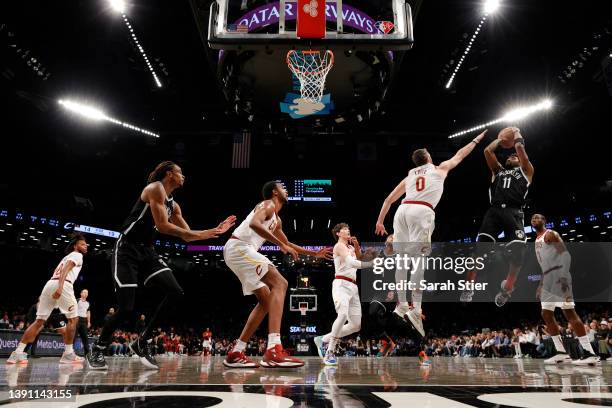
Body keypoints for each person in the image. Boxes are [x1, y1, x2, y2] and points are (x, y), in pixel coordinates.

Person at [87, 161, 236, 370]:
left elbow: (188, 236)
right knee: (126, 307)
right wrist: (209, 232)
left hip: (147, 251)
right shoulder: (155, 188)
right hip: (127, 249)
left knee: (176, 292)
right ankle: (98, 349)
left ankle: (142, 341)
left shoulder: (174, 205)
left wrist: (214, 231)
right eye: (180, 172)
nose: (183, 176)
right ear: (169, 174)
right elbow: (163, 226)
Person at [375, 131, 487, 336]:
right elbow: (460, 155)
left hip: (402, 211)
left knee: (401, 261)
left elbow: (389, 200)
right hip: (422, 211)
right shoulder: (439, 169)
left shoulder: (409, 175)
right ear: (427, 157)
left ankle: (401, 305)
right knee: (419, 261)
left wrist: (380, 221)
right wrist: (475, 140)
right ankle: (416, 309)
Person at [223, 181, 332, 368]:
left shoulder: (277, 219)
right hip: (239, 247)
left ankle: (236, 351)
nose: (286, 189)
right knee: (280, 283)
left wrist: (314, 253)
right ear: (274, 192)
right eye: (282, 187)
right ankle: (273, 348)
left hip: (240, 252)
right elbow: (254, 223)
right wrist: (279, 244)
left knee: (266, 301)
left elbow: (287, 243)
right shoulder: (268, 204)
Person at [461, 128, 534, 306]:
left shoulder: (526, 170)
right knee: (480, 249)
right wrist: (499, 140)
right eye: (508, 156)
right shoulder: (498, 171)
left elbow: (521, 151)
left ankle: (507, 288)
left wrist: (517, 133)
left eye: (513, 157)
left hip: (514, 212)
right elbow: (487, 151)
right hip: (494, 212)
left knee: (519, 253)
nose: (511, 157)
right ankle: (469, 285)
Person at [6, 234, 88, 365]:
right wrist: (60, 287)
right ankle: (68, 354)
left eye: (86, 244)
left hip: (49, 284)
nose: (86, 246)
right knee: (74, 319)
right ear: (75, 246)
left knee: (39, 321)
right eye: (83, 244)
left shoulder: (66, 256)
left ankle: (17, 353)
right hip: (63, 284)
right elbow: (66, 270)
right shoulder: (77, 255)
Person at [531, 213, 600, 365]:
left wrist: (562, 275)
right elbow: (544, 266)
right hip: (548, 278)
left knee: (569, 311)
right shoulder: (536, 240)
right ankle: (561, 352)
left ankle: (590, 353)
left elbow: (565, 255)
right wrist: (541, 283)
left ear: (544, 221)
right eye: (532, 218)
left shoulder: (550, 234)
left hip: (559, 274)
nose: (534, 219)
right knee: (546, 314)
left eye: (538, 217)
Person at [313, 224, 374, 366]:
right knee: (342, 315)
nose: (348, 230)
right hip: (341, 284)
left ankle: (323, 339)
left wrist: (357, 246)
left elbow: (359, 257)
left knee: (356, 325)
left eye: (348, 228)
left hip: (353, 287)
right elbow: (353, 262)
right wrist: (372, 264)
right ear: (338, 233)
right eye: (345, 229)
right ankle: (330, 351)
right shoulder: (339, 246)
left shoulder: (351, 248)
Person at [75, 289, 91, 356]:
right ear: (81, 293)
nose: (86, 294)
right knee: (74, 336)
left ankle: (87, 353)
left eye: (87, 293)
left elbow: (88, 312)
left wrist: (89, 322)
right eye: (84, 292)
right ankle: (70, 352)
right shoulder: (77, 300)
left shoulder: (88, 303)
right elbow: (73, 309)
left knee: (85, 337)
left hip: (84, 321)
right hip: (77, 319)